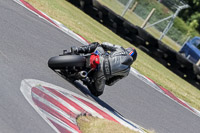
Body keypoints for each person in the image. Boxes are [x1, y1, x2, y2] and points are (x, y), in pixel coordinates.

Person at [70, 42, 137, 96]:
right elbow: (110, 82)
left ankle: (78, 50)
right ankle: (86, 79)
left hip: (100, 59)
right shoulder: (126, 72)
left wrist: (106, 53)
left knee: (97, 45)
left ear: (127, 50)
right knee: (98, 93)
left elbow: (104, 44)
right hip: (102, 74)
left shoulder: (120, 49)